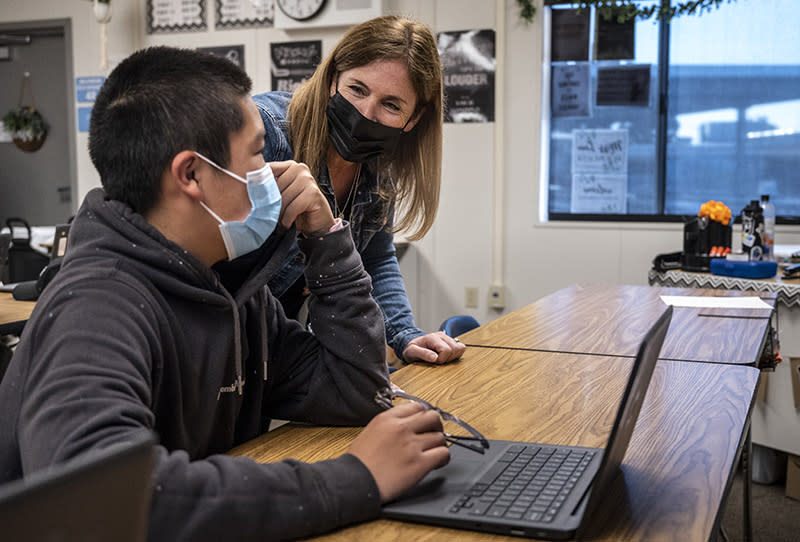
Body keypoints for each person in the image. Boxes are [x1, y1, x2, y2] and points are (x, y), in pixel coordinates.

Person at [0, 46, 450, 541]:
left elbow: (353, 390)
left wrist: (326, 240)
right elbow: (102, 503)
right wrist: (354, 478)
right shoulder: (96, 308)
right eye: (259, 154)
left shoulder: (228, 289)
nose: (279, 174)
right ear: (191, 174)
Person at [253, 15, 466, 364]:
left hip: (268, 352)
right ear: (332, 78)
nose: (366, 114)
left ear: (413, 120)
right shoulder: (267, 134)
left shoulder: (378, 169)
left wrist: (404, 334)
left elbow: (376, 257)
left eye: (391, 105)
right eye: (357, 89)